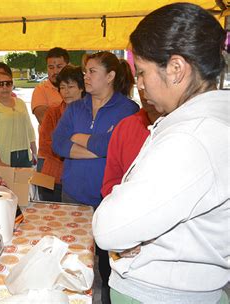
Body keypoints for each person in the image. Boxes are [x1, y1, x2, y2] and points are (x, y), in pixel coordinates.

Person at [93, 3, 228, 303]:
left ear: (176, 69)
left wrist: (126, 231)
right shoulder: (205, 123)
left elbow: (107, 229)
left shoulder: (192, 139)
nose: (139, 84)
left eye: (142, 72)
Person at [52, 51, 138, 304]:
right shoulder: (75, 107)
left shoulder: (128, 110)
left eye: (92, 72)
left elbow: (114, 147)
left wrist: (78, 138)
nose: (85, 76)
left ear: (110, 76)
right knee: (71, 258)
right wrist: (100, 149)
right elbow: (57, 143)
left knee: (108, 264)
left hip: (109, 200)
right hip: (73, 195)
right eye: (85, 71)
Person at [38, 65, 85, 202]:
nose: (66, 92)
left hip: (79, 179)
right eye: (62, 87)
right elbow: (45, 145)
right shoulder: (53, 113)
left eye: (70, 87)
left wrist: (65, 148)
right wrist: (74, 151)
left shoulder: (90, 113)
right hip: (52, 178)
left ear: (82, 88)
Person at [101, 92, 160, 197]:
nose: (142, 84)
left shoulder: (187, 130)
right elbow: (111, 182)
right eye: (140, 75)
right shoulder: (125, 126)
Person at [0, 72, 37, 167]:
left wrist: (34, 151)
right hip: (4, 158)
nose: (5, 87)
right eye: (0, 84)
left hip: (25, 155)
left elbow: (29, 128)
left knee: (26, 181)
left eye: (8, 83)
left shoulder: (21, 103)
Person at [31, 47, 69, 124]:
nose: (55, 71)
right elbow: (44, 120)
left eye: (59, 67)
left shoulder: (79, 87)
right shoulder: (41, 89)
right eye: (51, 67)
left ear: (68, 66)